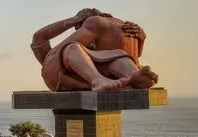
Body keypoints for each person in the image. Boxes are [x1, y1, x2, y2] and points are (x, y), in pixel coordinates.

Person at [30, 8, 158, 92]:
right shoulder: (55, 59)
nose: (92, 39)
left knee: (118, 56)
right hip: (88, 79)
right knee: (72, 48)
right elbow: (38, 38)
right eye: (84, 30)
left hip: (109, 80)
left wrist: (140, 38)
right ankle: (98, 80)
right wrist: (76, 19)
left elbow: (136, 56)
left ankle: (132, 76)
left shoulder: (97, 55)